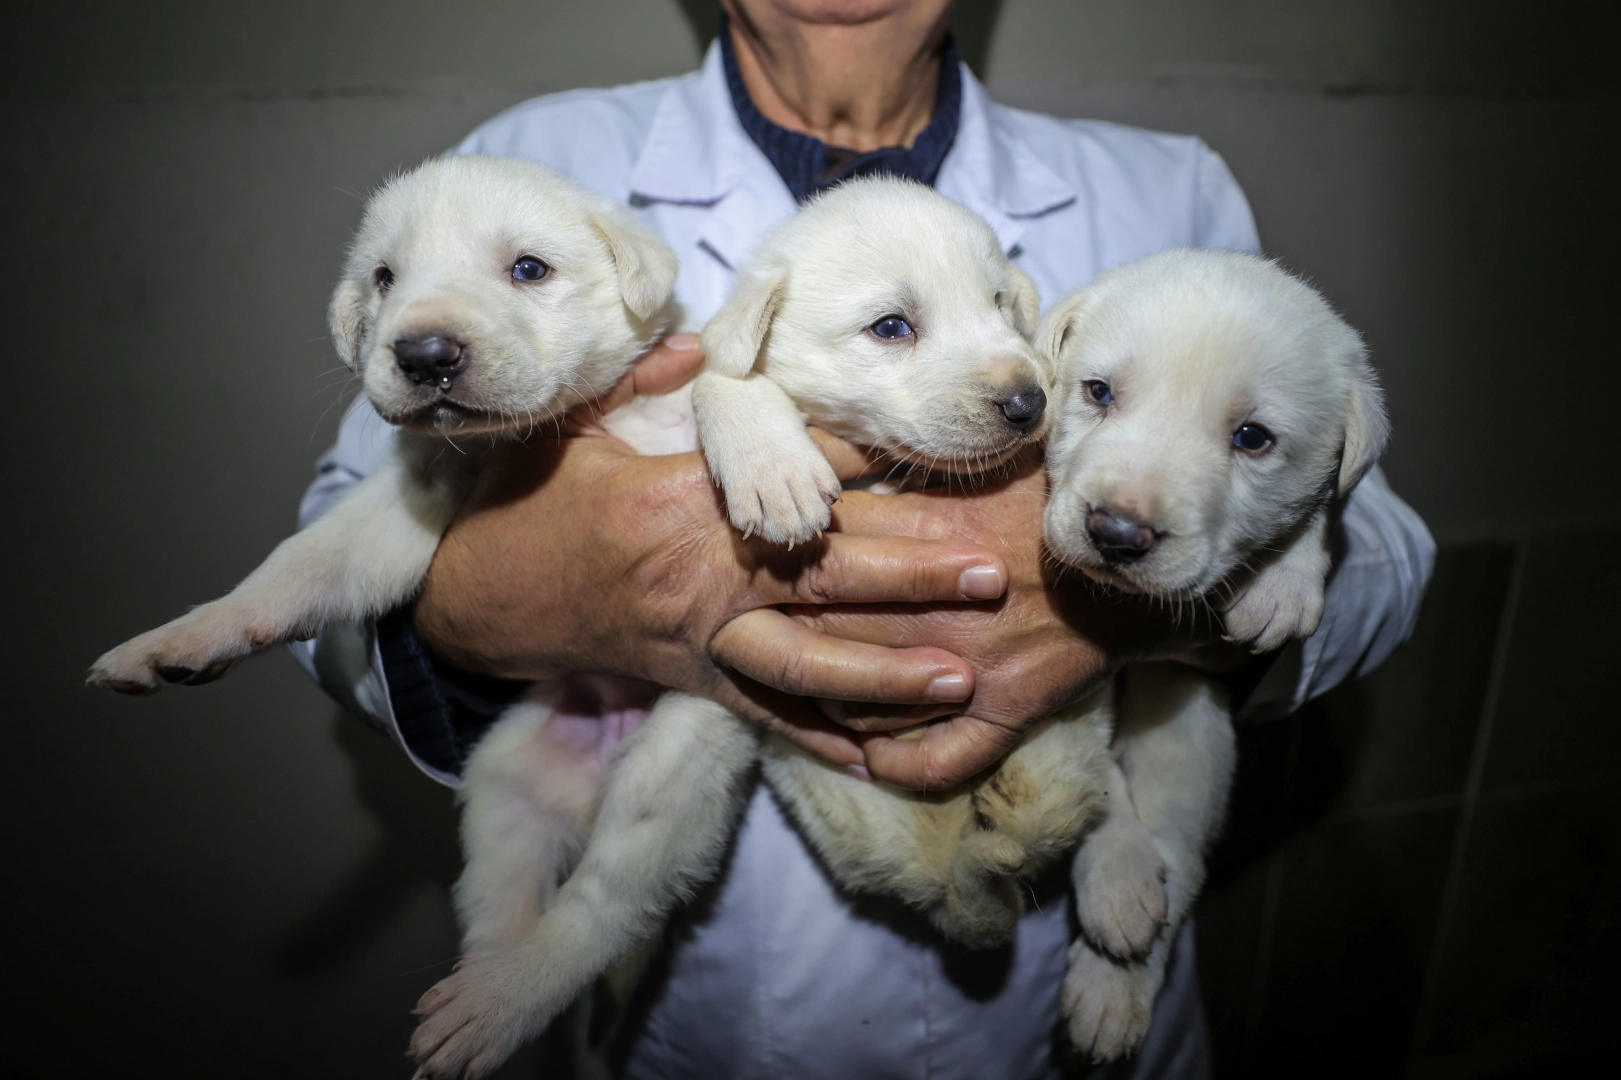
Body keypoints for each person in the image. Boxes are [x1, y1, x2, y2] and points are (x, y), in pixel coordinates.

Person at [295, 2, 1435, 1076]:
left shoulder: (1163, 188)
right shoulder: (534, 159)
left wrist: (1130, 623)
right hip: (716, 1023)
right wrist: (536, 591)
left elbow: (1366, 526)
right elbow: (351, 538)